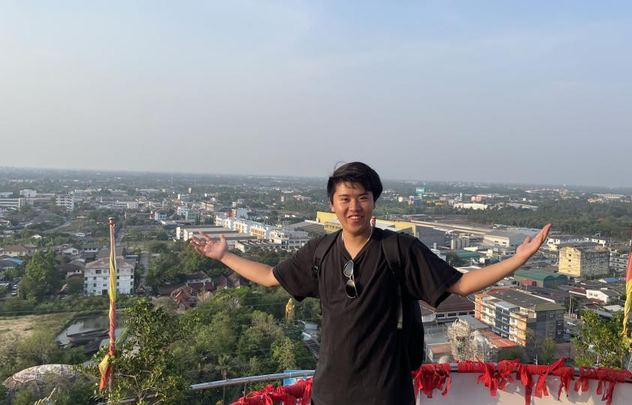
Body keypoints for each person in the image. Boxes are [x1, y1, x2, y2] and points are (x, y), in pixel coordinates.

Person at [191, 162, 550, 405]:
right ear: (332, 204)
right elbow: (271, 277)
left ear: (373, 201)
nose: (354, 206)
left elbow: (461, 284)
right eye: (345, 199)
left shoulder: (399, 250)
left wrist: (517, 259)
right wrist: (224, 256)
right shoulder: (320, 251)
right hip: (330, 393)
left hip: (386, 393)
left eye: (362, 197)